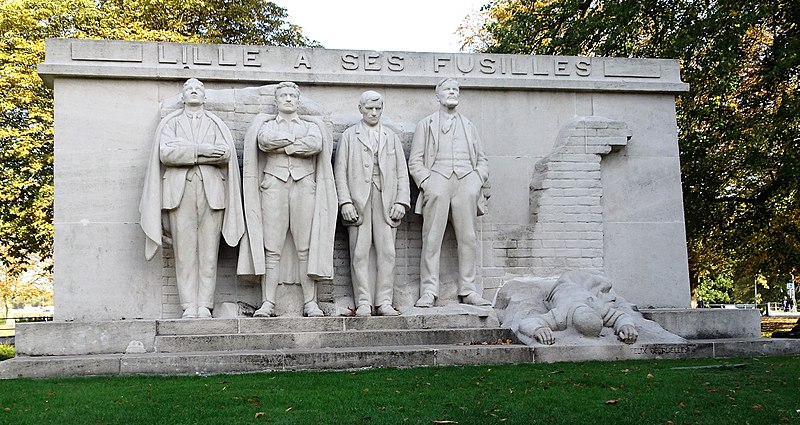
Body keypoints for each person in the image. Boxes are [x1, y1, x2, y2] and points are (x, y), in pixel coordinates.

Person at [140, 78, 244, 319]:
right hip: (180, 193)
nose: (194, 92)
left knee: (209, 252)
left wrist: (187, 151)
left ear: (204, 97)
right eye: (189, 90)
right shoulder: (171, 123)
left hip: (213, 193)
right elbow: (166, 154)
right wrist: (202, 151)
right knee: (185, 253)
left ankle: (205, 306)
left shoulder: (216, 124)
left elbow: (225, 154)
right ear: (183, 97)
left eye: (198, 89)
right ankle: (188, 306)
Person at [238, 82, 337, 317]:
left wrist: (284, 145)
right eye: (283, 95)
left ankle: (310, 303)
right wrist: (293, 143)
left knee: (305, 246)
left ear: (298, 99)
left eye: (293, 95)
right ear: (277, 100)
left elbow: (315, 145)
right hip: (273, 185)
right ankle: (268, 302)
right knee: (272, 247)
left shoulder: (311, 126)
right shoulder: (267, 125)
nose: (288, 99)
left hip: (304, 185)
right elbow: (265, 142)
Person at [408, 78, 491, 308]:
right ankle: (429, 290)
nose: (452, 93)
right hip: (438, 181)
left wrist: (476, 179)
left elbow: (482, 160)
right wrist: (428, 181)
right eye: (448, 89)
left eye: (456, 89)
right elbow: (415, 161)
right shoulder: (426, 124)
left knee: (469, 239)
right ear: (438, 95)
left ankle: (468, 289)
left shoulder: (469, 125)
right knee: (432, 238)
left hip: (466, 182)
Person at [334, 91, 410, 316]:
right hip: (359, 201)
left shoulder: (391, 137)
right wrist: (345, 202)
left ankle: (384, 300)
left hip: (386, 200)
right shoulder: (349, 136)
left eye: (378, 108)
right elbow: (340, 171)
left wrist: (401, 202)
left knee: (388, 252)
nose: (374, 113)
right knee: (359, 252)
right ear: (360, 109)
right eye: (369, 108)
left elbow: (401, 173)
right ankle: (364, 301)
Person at [518, 271, 639, 345]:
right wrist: (537, 329)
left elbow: (620, 316)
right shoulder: (561, 316)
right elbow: (526, 322)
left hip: (580, 287)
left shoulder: (597, 307)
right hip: (562, 286)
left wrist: (626, 325)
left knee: (601, 284)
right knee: (602, 283)